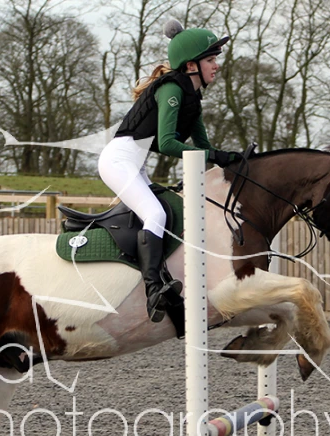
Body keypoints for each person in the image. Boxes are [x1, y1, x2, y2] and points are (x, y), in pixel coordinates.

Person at [98, 19, 239, 323]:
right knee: (155, 214)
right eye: (210, 60)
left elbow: (204, 148)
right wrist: (215, 155)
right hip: (117, 160)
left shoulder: (193, 98)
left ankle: (163, 279)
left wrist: (231, 161)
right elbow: (166, 143)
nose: (216, 66)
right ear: (191, 65)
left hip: (135, 163)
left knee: (171, 210)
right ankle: (153, 289)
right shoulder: (172, 89)